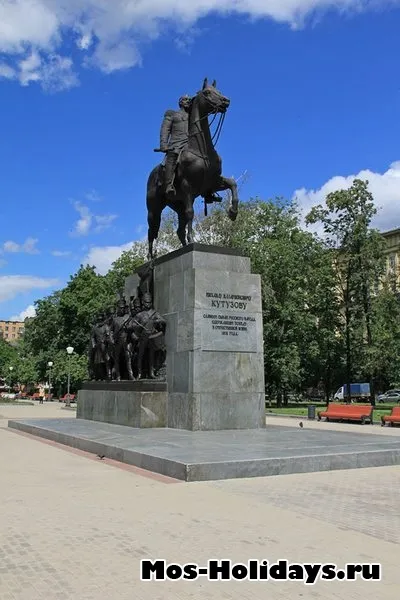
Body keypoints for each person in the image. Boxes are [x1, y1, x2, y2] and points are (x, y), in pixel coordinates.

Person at [159, 96, 221, 205]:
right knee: (172, 156)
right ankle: (168, 185)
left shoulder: (192, 116)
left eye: (189, 100)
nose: (188, 101)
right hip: (176, 144)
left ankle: (209, 191)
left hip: (190, 144)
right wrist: (163, 144)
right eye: (185, 100)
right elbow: (165, 129)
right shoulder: (173, 115)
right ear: (180, 102)